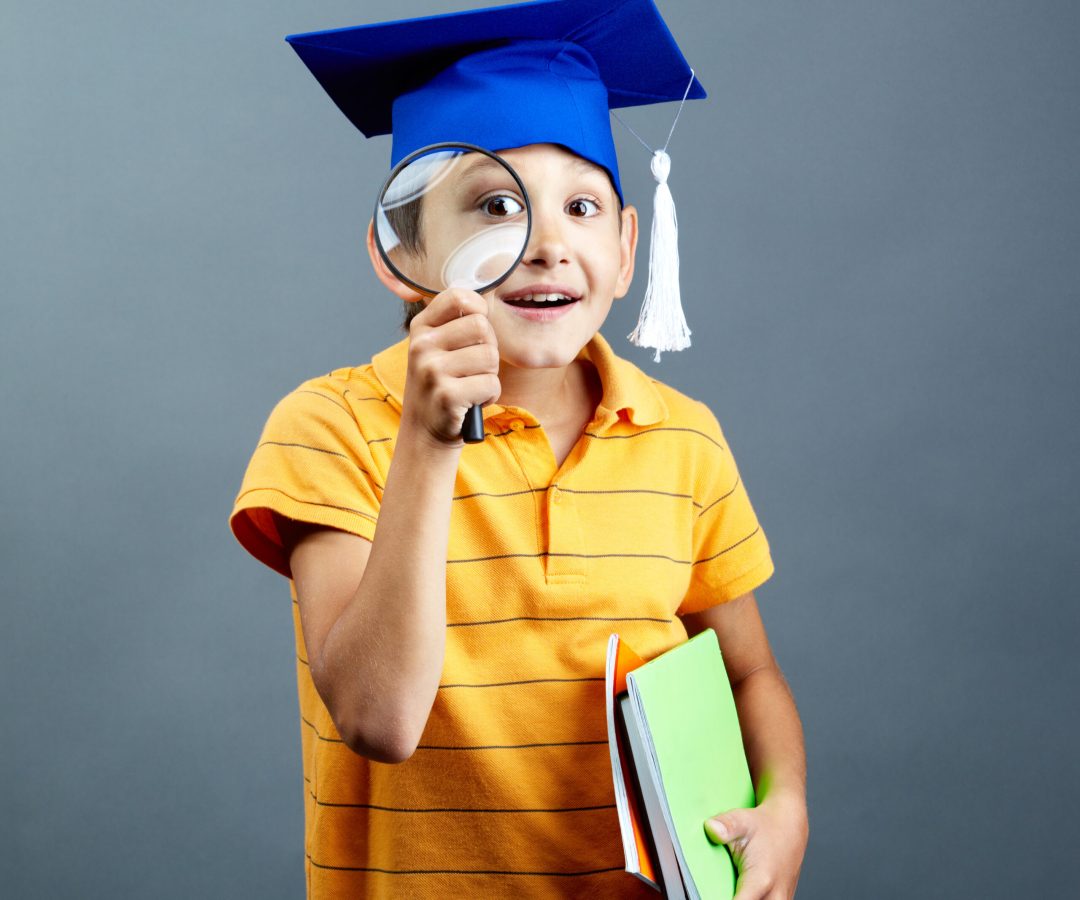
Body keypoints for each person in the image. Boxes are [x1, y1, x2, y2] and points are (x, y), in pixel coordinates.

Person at [229, 1, 808, 897]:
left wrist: (787, 808)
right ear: (405, 254)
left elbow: (750, 672)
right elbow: (378, 718)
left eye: (581, 207)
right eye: (496, 207)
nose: (545, 245)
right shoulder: (331, 426)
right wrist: (427, 445)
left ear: (624, 250)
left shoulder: (684, 439)